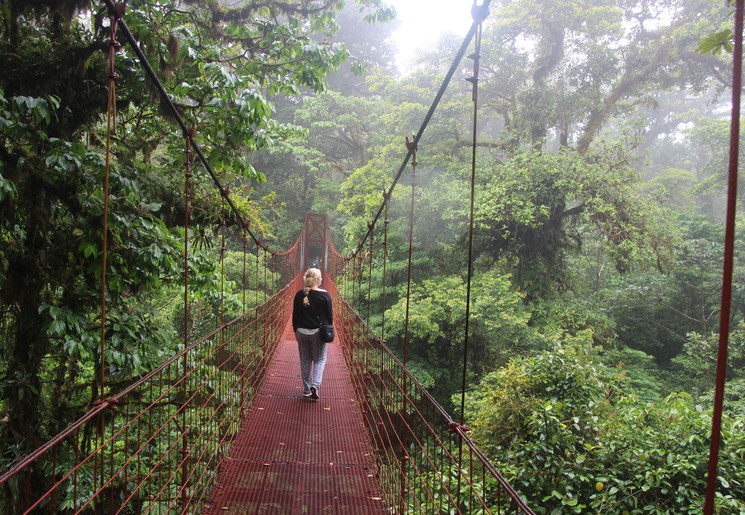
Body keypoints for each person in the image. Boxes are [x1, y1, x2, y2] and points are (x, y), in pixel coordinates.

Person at [292, 268, 333, 401]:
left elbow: (295, 315)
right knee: (320, 359)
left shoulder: (299, 294)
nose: (322, 279)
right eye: (320, 277)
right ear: (316, 279)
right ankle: (315, 385)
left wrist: (296, 330)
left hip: (301, 332)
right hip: (317, 333)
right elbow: (329, 317)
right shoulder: (325, 295)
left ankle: (306, 390)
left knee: (305, 360)